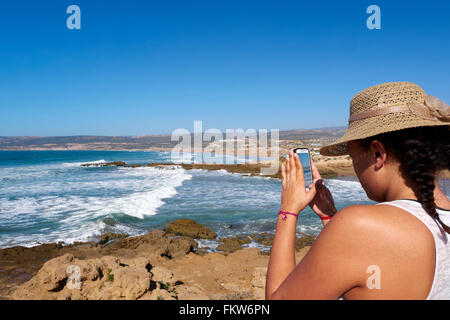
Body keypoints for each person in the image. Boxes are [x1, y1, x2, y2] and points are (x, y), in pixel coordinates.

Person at [266, 82, 450, 299]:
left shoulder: (358, 226)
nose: (354, 165)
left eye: (353, 157)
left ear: (377, 154)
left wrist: (288, 210)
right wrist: (330, 217)